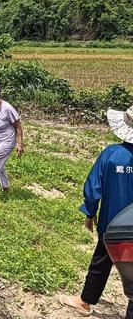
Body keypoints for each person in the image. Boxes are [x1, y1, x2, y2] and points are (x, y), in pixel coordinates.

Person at [59, 106, 133, 318]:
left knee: (101, 262)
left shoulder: (111, 154)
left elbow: (93, 188)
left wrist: (90, 213)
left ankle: (85, 302)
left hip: (113, 225)